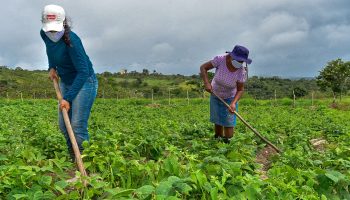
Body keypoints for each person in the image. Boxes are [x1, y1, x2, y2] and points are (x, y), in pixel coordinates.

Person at [40, 5, 98, 161]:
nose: (52, 33)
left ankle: (86, 163)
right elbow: (50, 50)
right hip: (66, 80)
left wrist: (68, 98)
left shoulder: (72, 40)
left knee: (77, 126)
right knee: (63, 125)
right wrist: (52, 66)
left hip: (85, 82)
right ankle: (75, 159)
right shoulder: (44, 34)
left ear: (63, 22)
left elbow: (83, 72)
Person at [200, 45, 252, 143]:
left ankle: (228, 143)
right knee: (217, 118)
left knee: (229, 121)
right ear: (231, 56)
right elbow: (203, 68)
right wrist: (207, 83)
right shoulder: (220, 59)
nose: (239, 63)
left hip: (230, 97)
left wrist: (233, 103)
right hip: (215, 93)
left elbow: (240, 89)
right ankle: (217, 139)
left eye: (242, 61)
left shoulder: (241, 71)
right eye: (238, 60)